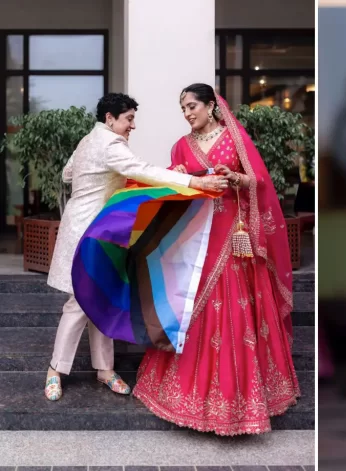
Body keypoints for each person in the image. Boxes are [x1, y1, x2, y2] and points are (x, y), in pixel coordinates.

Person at [131, 84, 299, 436]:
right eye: (184, 109)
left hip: (230, 234)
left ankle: (244, 402)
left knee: (234, 304)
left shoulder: (234, 137)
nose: (188, 113)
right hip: (194, 236)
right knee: (192, 301)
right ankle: (182, 396)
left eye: (193, 106)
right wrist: (177, 177)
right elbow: (174, 182)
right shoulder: (182, 144)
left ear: (211, 106)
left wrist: (235, 177)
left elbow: (259, 182)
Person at [45, 93, 229, 401]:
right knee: (79, 302)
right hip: (90, 233)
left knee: (101, 297)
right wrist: (196, 184)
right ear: (110, 119)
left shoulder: (86, 141)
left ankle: (104, 370)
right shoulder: (111, 144)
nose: (132, 126)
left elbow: (67, 174)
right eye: (129, 119)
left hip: (89, 229)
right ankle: (55, 370)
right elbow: (142, 170)